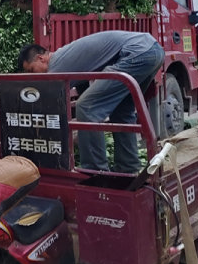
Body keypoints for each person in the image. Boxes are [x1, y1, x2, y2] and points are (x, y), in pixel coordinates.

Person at [16, 31, 165, 173]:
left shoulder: (56, 67)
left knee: (87, 107)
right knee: (122, 111)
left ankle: (95, 171)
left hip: (136, 54)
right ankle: (128, 168)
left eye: (31, 70)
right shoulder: (65, 58)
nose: (32, 76)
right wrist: (83, 131)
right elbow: (83, 87)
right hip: (152, 50)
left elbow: (49, 105)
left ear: (41, 58)